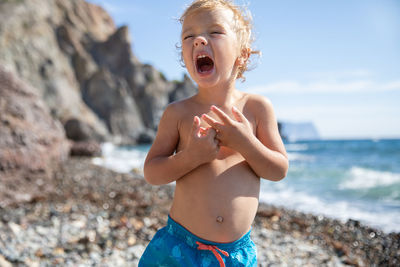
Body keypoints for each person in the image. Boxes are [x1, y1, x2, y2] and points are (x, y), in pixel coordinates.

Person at [139, 0, 288, 266]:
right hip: (179, 247)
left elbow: (278, 170)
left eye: (214, 32)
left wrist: (246, 143)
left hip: (233, 255)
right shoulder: (178, 113)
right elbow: (152, 172)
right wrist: (191, 157)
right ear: (185, 57)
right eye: (189, 36)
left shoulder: (256, 109)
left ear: (242, 54)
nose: (198, 40)